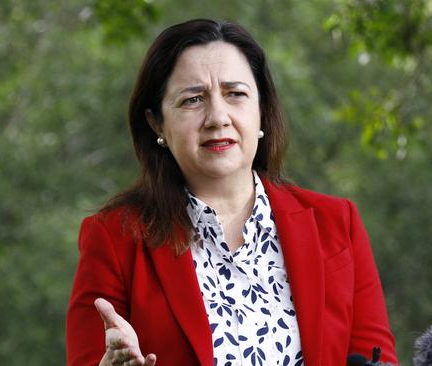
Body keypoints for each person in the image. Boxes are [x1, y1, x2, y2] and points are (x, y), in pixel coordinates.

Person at [66, 19, 398, 366]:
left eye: (235, 94)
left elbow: (376, 359)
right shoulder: (114, 238)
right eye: (192, 99)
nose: (217, 117)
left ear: (261, 110)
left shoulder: (336, 223)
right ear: (157, 123)